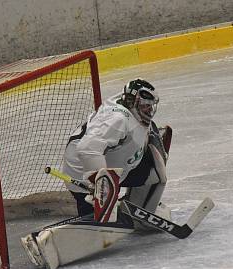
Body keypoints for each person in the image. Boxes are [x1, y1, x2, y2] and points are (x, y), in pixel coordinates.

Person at [62, 78, 170, 223]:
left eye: (150, 106)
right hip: (84, 176)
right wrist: (102, 189)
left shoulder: (130, 106)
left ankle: (140, 209)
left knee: (153, 171)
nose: (149, 111)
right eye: (145, 106)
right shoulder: (117, 120)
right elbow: (87, 149)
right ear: (133, 102)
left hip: (117, 170)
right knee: (98, 223)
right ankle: (92, 218)